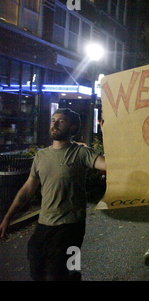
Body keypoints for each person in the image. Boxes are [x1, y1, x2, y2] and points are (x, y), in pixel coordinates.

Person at [0, 108, 106, 281]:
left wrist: (110, 135)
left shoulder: (81, 153)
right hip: (43, 226)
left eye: (61, 120)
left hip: (71, 227)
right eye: (53, 119)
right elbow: (27, 189)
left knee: (67, 274)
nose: (54, 124)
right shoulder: (41, 156)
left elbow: (109, 165)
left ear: (72, 127)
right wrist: (7, 218)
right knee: (37, 272)